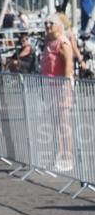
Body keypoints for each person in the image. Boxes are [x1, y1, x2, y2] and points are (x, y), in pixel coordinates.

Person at [39, 15, 74, 172]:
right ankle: (57, 156)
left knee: (63, 124)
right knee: (54, 125)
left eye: (50, 23)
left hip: (60, 89)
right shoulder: (48, 42)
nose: (47, 25)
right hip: (49, 88)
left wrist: (64, 88)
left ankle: (67, 157)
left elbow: (68, 67)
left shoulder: (63, 43)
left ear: (58, 26)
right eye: (46, 23)